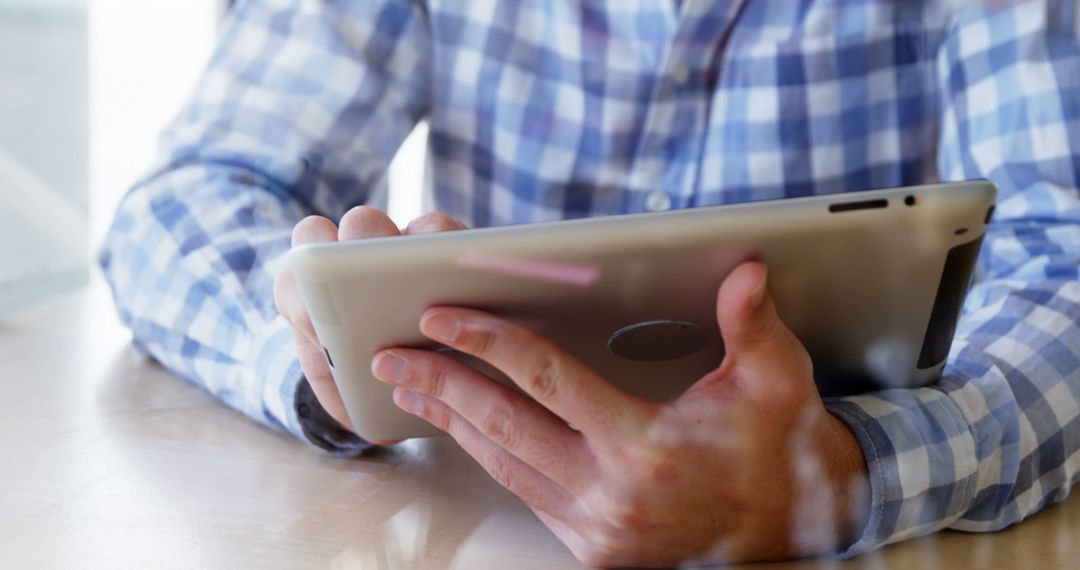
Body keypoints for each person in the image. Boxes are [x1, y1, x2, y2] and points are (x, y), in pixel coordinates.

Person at [100, 0, 1080, 566]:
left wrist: (847, 471)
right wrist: (316, 356)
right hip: (483, 523)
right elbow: (191, 194)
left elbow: (1067, 251)